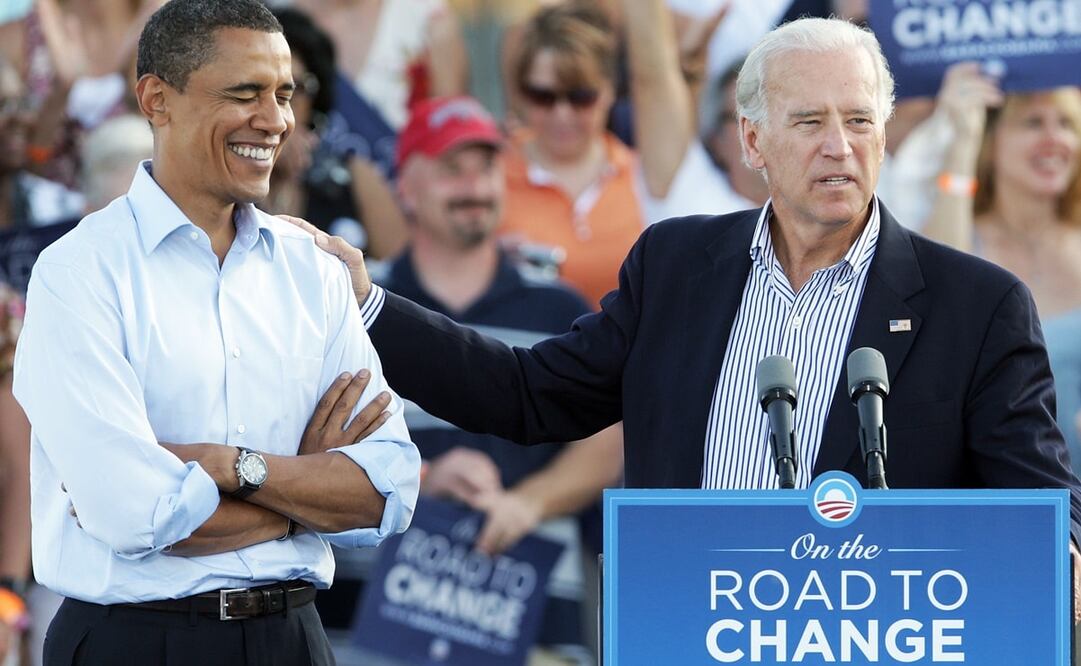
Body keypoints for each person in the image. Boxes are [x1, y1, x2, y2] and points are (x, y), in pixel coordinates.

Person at [291, 16, 1081, 604]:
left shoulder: (973, 305)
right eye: (808, 122)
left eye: (859, 121)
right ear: (751, 140)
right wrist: (367, 304)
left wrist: (1066, 554)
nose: (838, 146)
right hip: (687, 628)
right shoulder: (676, 267)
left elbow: (1043, 503)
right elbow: (528, 394)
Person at [12, 2, 420, 664]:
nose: (277, 120)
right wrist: (305, 498)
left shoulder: (313, 271)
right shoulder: (77, 274)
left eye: (285, 94)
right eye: (245, 93)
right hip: (133, 643)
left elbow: (386, 491)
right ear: (156, 100)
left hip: (294, 641)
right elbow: (131, 512)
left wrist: (230, 466)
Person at [380, 95, 623, 661]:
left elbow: (609, 438)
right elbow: (315, 430)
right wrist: (420, 475)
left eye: (486, 167)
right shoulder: (357, 300)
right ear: (406, 187)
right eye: (451, 169)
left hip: (530, 611)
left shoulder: (558, 307)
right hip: (382, 621)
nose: (474, 186)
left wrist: (529, 504)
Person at [920, 65, 1081, 477]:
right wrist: (963, 140)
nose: (1054, 139)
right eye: (1032, 122)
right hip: (1000, 484)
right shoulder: (959, 238)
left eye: (1066, 123)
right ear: (992, 144)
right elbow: (936, 305)